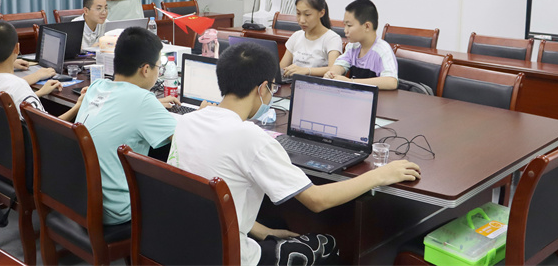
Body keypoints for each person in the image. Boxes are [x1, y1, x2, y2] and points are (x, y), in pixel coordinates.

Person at [168, 43, 421, 266]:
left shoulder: (187, 122)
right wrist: (380, 175)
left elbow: (209, 201)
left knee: (276, 223)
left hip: (180, 247)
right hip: (230, 257)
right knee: (327, 244)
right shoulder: (251, 138)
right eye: (272, 88)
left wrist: (263, 231)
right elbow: (317, 200)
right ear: (262, 88)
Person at [74, 27, 180, 225]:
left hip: (79, 197)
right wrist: (205, 115)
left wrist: (154, 106)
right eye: (159, 67)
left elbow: (124, 109)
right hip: (116, 210)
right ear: (146, 69)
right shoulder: (142, 101)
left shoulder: (97, 87)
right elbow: (184, 139)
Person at [0, 20, 84, 121]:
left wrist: (38, 93)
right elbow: (47, 127)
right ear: (17, 48)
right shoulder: (19, 86)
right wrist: (79, 105)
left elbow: (15, 103)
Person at [324, 0, 398, 90]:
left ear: (367, 26)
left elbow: (391, 81)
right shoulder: (353, 47)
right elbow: (340, 65)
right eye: (344, 25)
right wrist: (332, 74)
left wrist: (351, 82)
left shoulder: (382, 50)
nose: (345, 30)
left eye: (349, 25)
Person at [279, 0, 343, 78]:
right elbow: (281, 69)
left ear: (321, 13)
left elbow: (334, 70)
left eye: (307, 14)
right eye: (298, 13)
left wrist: (307, 71)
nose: (301, 20)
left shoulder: (332, 39)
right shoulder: (296, 36)